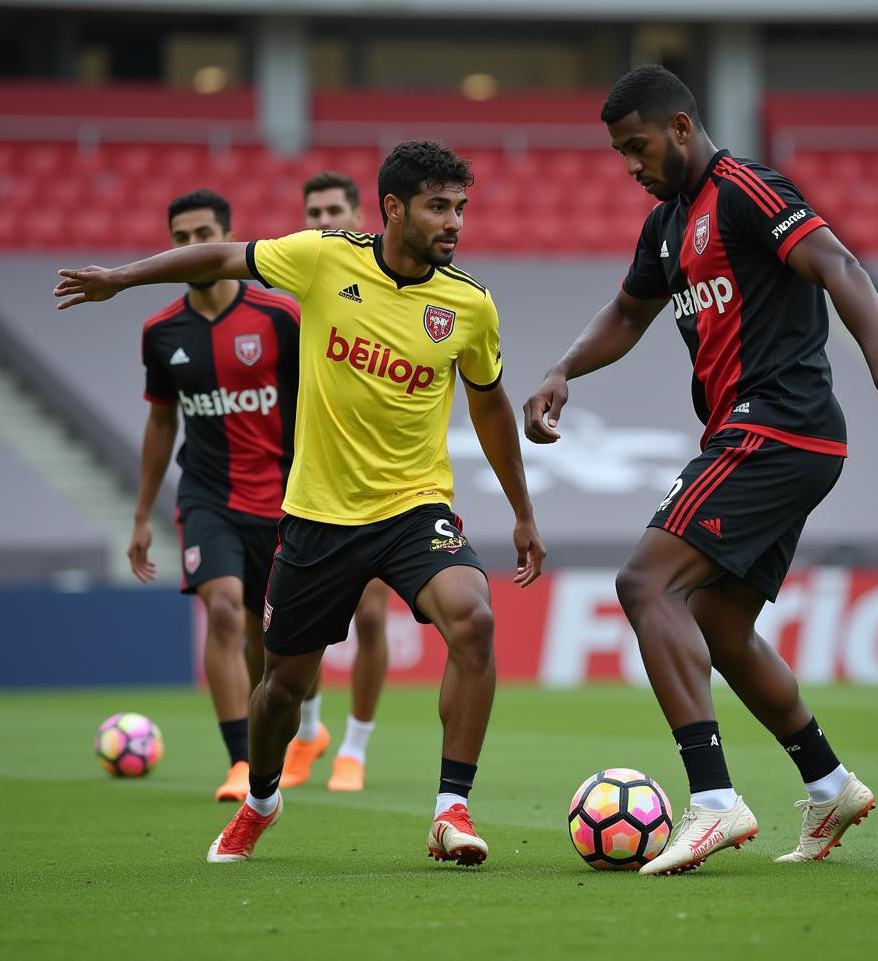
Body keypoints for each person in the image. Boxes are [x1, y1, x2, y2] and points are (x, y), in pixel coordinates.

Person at [55, 139, 544, 868]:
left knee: (473, 619)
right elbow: (220, 258)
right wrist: (120, 280)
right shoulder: (323, 259)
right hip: (317, 517)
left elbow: (492, 404)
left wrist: (522, 510)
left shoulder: (468, 304)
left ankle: (451, 810)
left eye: (460, 209)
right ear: (393, 209)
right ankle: (261, 798)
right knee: (282, 686)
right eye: (438, 207)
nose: (454, 224)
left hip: (414, 509)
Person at [523, 65, 878, 876]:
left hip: (778, 424)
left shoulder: (747, 188)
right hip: (762, 436)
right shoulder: (665, 225)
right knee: (719, 625)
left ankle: (715, 801)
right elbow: (626, 313)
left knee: (645, 584)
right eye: (620, 154)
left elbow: (842, 267)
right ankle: (829, 783)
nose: (631, 166)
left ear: (681, 128)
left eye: (638, 147)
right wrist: (563, 370)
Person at [129, 189, 299, 802]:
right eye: (180, 237)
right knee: (223, 610)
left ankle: (273, 742)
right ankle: (239, 761)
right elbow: (160, 423)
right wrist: (144, 514)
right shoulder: (161, 331)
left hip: (284, 501)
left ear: (226, 237)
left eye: (204, 234)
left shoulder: (280, 317)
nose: (192, 246)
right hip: (208, 496)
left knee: (268, 643)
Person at [282, 171, 392, 793]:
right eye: (312, 210)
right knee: (307, 624)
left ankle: (353, 746)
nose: (322, 219)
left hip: (383, 480)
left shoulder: (394, 281)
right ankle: (310, 732)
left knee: (371, 616)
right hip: (313, 474)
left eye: (332, 209)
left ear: (361, 213)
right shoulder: (307, 284)